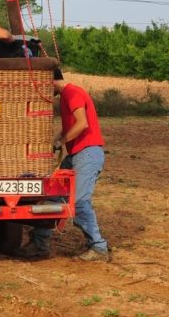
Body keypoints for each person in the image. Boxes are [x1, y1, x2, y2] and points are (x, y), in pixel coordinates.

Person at [23, 68, 112, 262]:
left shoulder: (73, 93)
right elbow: (68, 127)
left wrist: (60, 142)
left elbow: (82, 124)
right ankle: (39, 243)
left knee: (79, 201)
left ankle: (98, 247)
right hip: (77, 154)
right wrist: (52, 141)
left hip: (87, 153)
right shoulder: (65, 97)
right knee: (53, 197)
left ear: (50, 80)